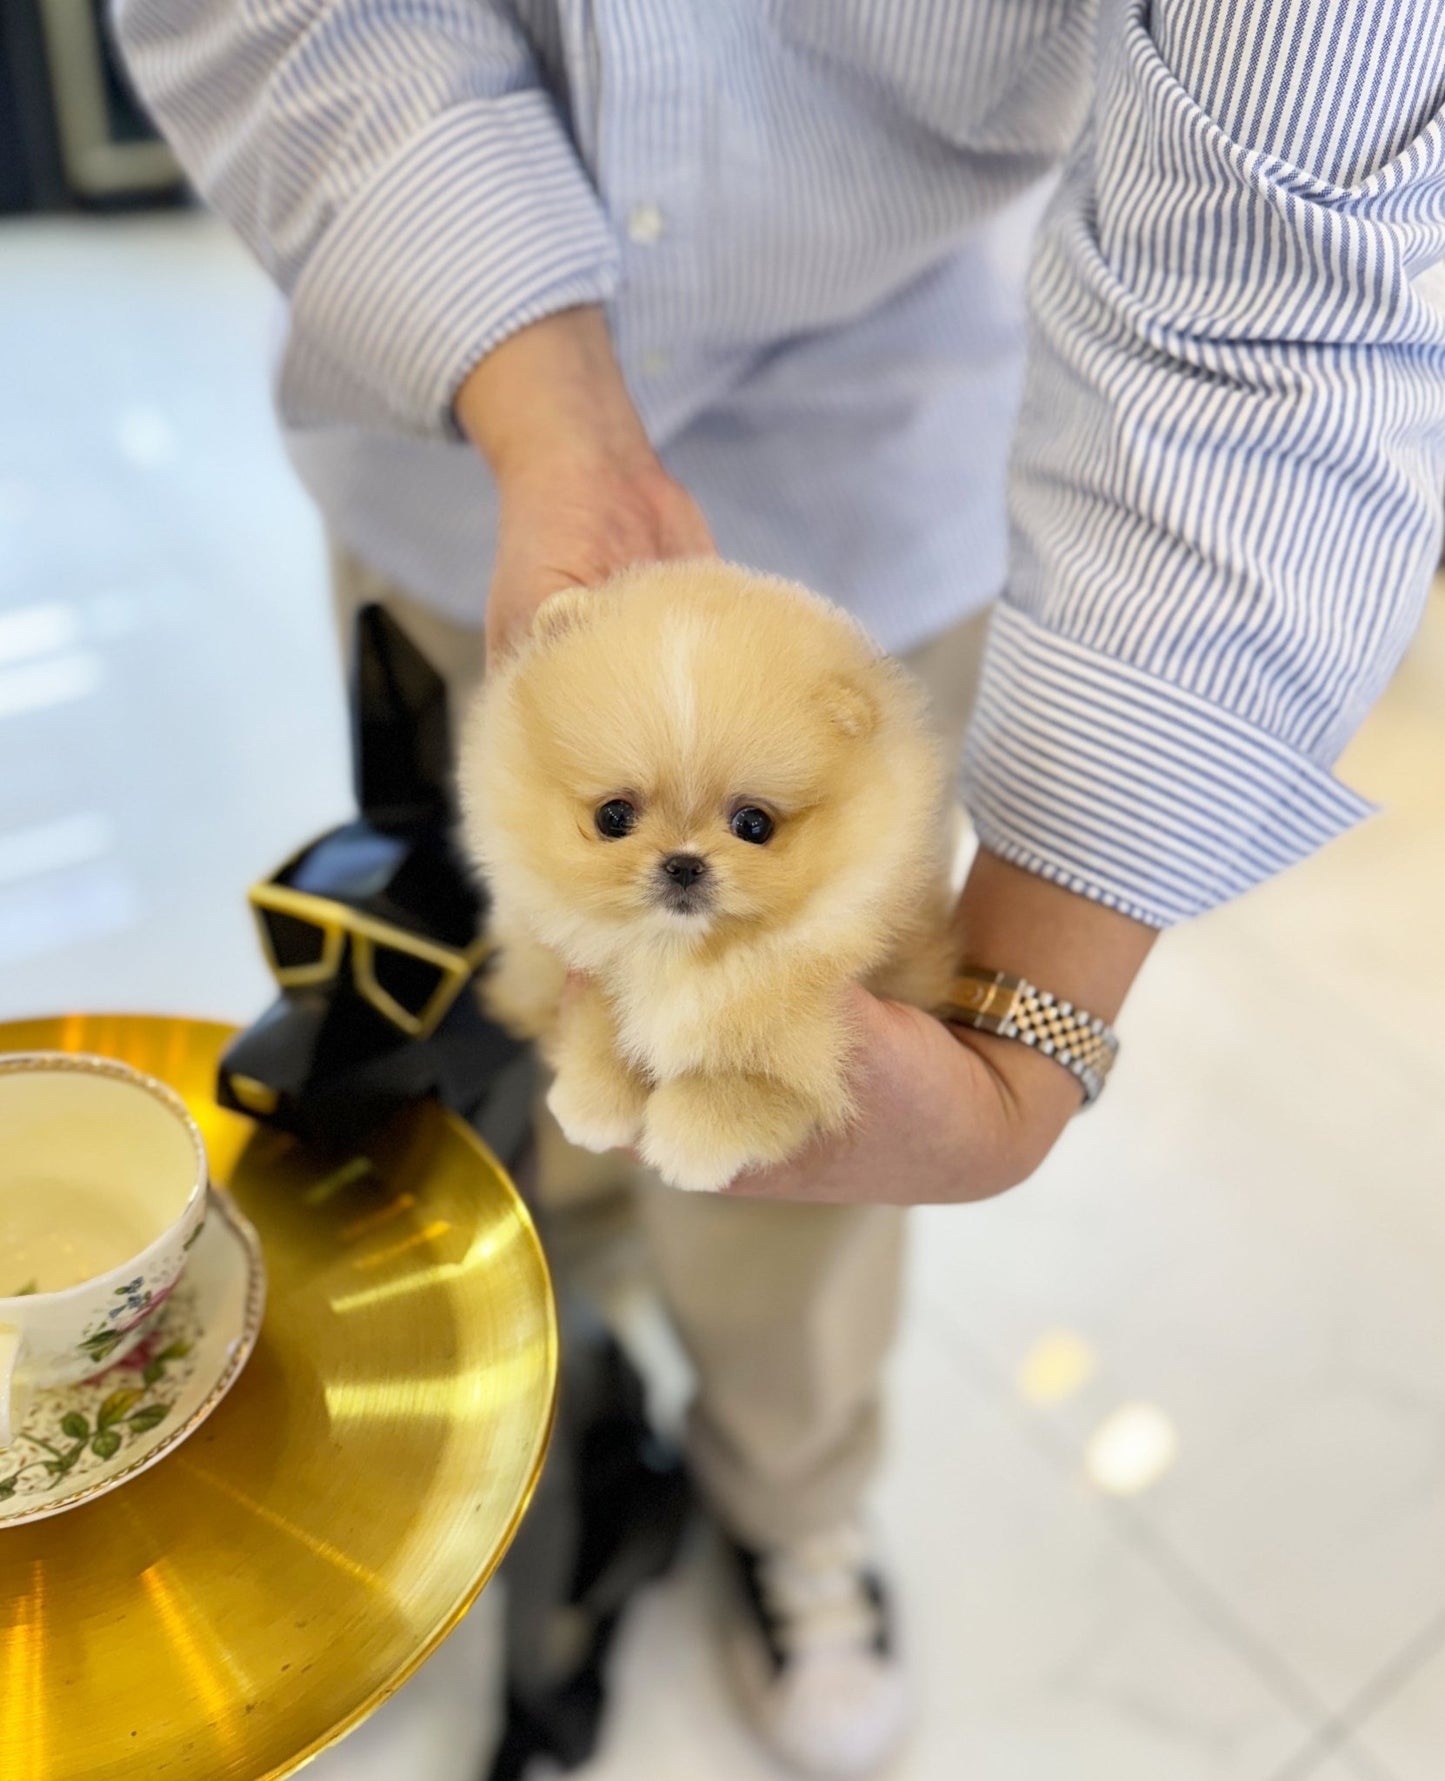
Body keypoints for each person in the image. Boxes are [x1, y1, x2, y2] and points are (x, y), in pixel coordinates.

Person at [113, 3, 1445, 1774]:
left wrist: (1029, 1034)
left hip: (879, 483)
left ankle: (788, 1495)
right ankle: (562, 1397)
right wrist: (548, 405)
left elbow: (1279, 274)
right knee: (508, 1066)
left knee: (807, 1150)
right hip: (452, 451)